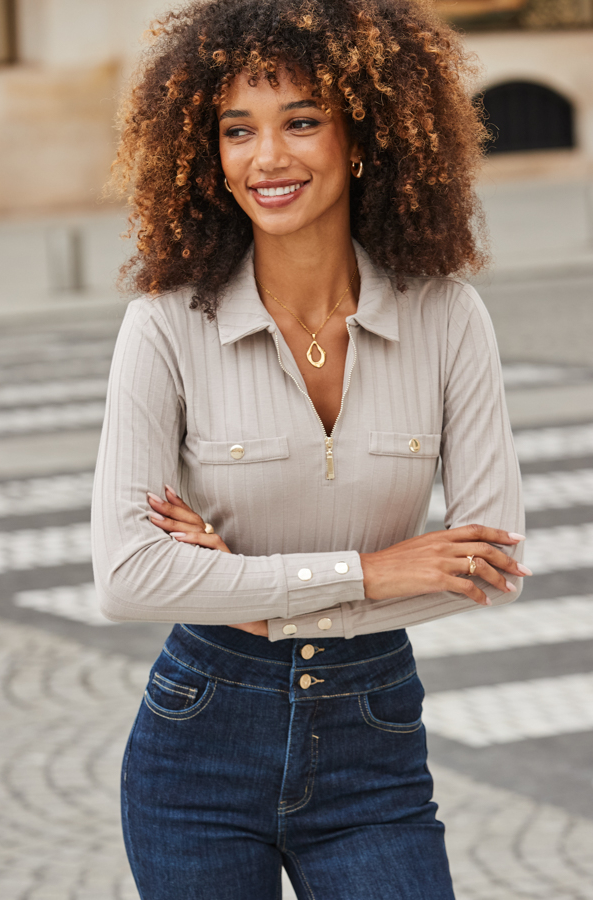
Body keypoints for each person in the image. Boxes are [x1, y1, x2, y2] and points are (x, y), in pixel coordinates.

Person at [92, 1, 529, 897]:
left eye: (301, 122)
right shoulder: (164, 328)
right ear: (207, 153)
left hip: (374, 746)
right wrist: (374, 574)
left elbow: (490, 562)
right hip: (197, 749)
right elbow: (126, 577)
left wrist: (246, 592)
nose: (268, 159)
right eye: (236, 130)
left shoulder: (447, 315)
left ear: (361, 135)